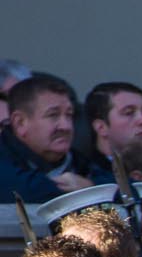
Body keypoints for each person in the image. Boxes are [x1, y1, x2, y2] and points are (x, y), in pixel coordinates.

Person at [1, 73, 107, 201]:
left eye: (69, 115)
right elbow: (21, 191)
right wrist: (92, 192)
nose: (66, 126)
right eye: (53, 115)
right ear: (20, 123)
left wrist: (91, 186)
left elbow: (129, 190)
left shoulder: (82, 161)